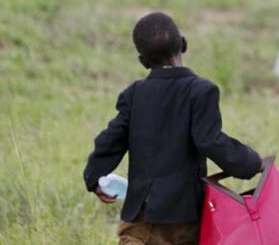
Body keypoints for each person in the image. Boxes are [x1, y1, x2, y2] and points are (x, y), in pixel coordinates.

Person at [84, 12, 262, 245]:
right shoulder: (202, 91)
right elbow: (211, 141)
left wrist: (94, 177)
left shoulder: (134, 95)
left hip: (142, 217)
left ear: (143, 62)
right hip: (187, 217)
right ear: (183, 44)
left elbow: (111, 140)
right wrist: (251, 164)